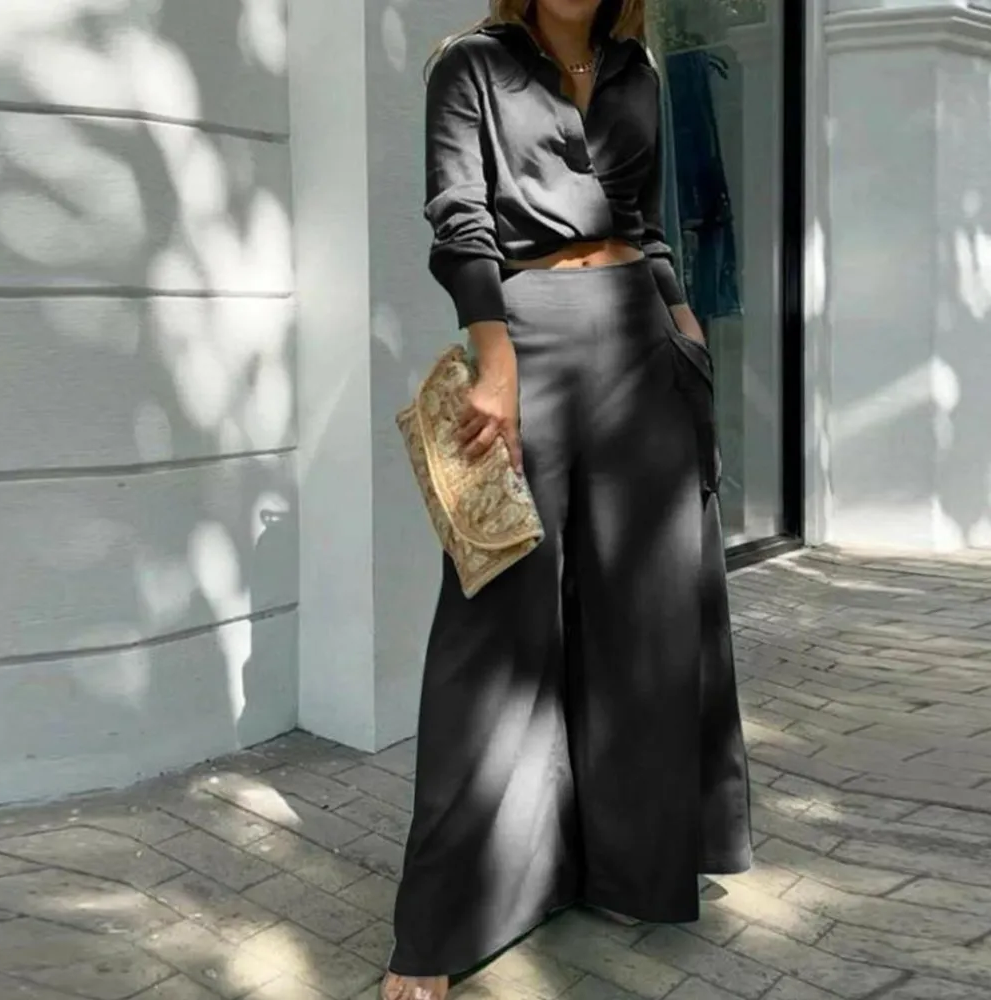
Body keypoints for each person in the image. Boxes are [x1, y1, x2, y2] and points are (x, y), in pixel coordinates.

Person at [381, 2, 751, 997]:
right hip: (528, 342)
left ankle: (630, 867)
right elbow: (458, 221)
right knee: (493, 630)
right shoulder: (467, 65)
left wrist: (684, 322)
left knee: (646, 621)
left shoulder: (639, 71)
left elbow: (645, 226)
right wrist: (494, 359)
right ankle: (438, 928)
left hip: (643, 341)